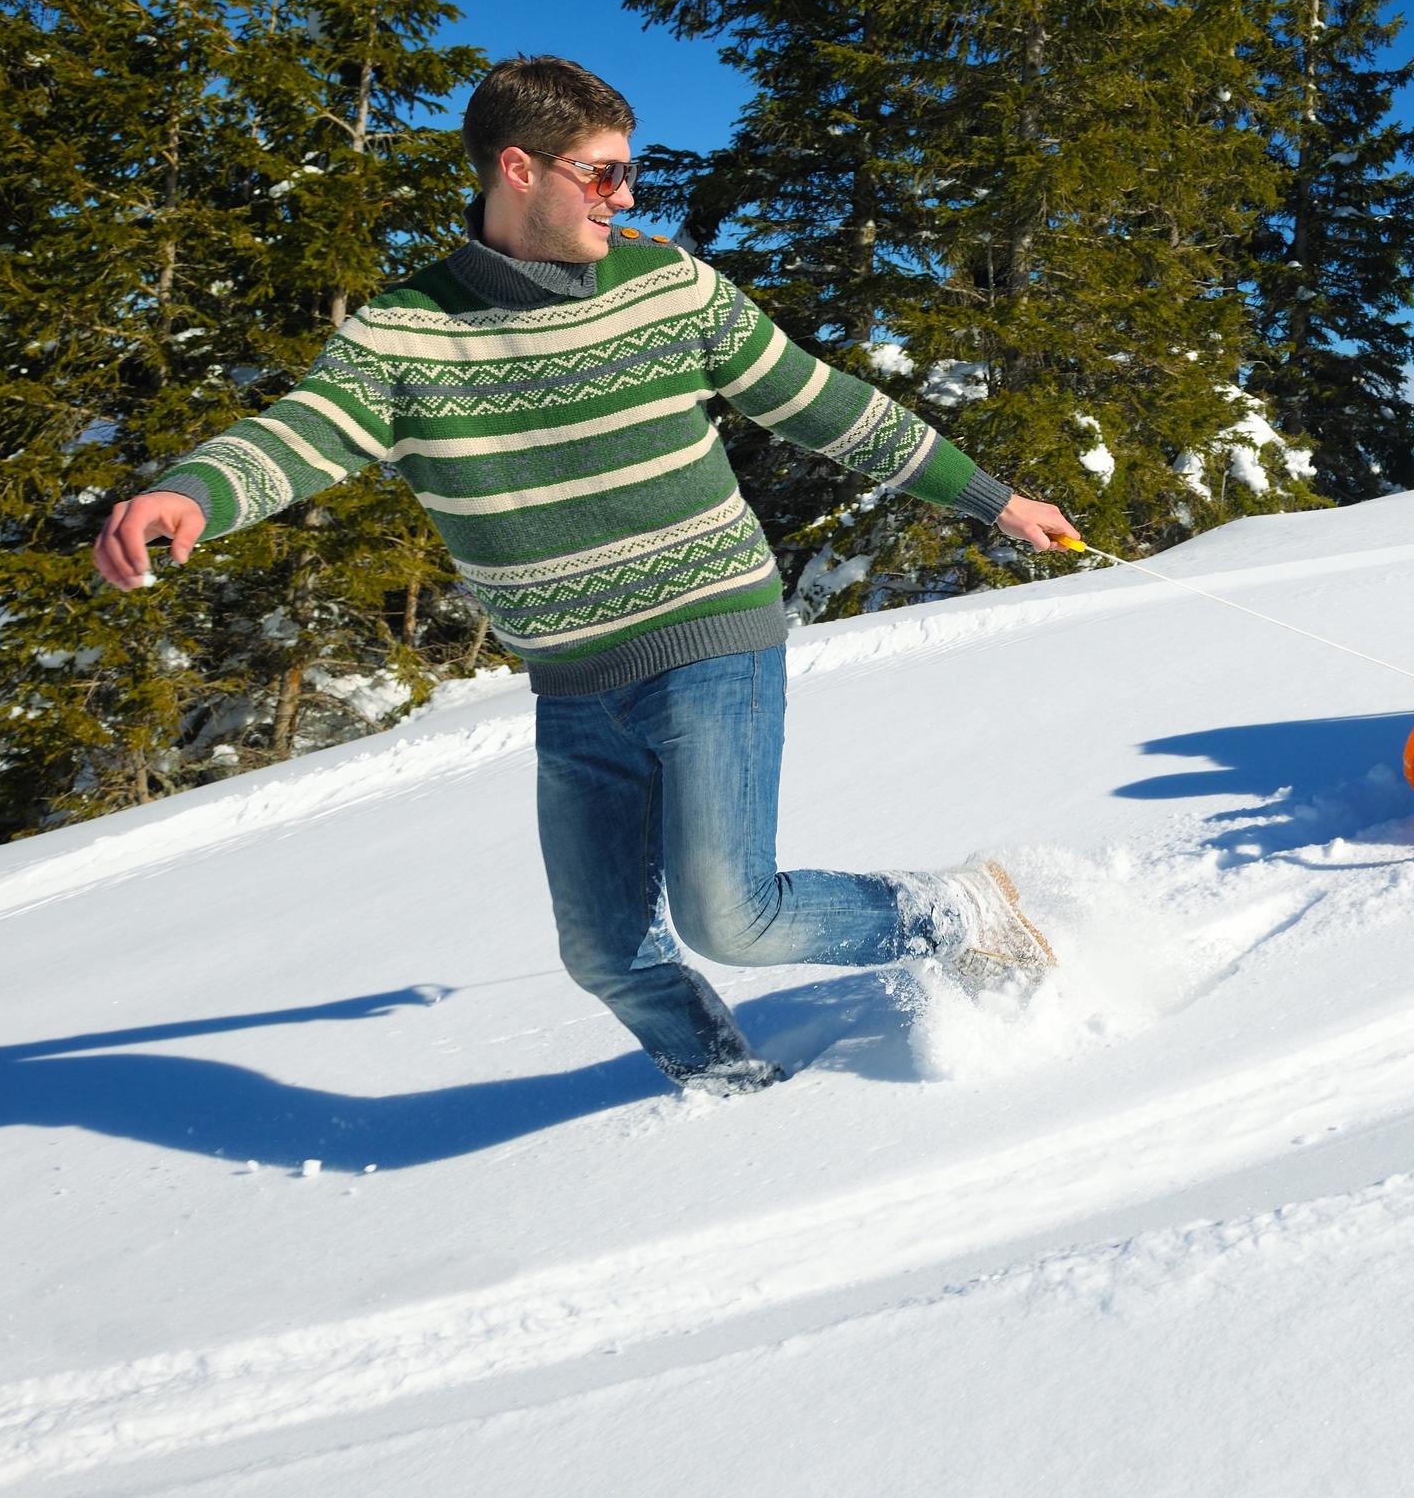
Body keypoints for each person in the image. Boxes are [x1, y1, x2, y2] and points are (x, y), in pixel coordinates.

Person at [91, 56, 1082, 1096]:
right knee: (607, 952)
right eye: (603, 175)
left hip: (711, 635)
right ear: (518, 169)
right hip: (572, 684)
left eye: (629, 173)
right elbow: (303, 433)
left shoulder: (670, 287)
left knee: (729, 917)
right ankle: (737, 1096)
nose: (628, 198)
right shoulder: (405, 333)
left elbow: (825, 405)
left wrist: (995, 500)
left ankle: (956, 912)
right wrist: (197, 491)